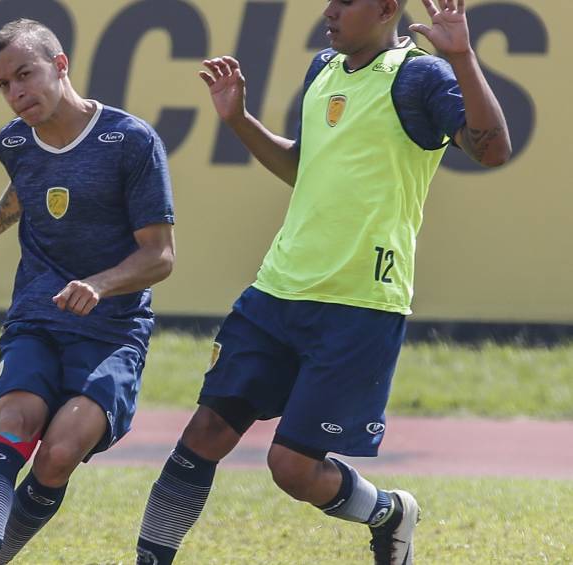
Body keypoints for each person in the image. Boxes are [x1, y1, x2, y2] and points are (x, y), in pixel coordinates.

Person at [135, 0, 510, 563]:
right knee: (205, 433)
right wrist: (238, 120)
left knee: (291, 467)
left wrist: (462, 58)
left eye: (343, 2)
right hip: (276, 290)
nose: (328, 11)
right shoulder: (322, 69)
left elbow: (493, 149)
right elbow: (301, 167)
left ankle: (388, 512)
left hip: (359, 304)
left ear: (386, 8)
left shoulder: (422, 76)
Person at [0, 18, 175, 565]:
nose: (15, 92)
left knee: (58, 454)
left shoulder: (131, 141)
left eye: (25, 74)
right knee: (15, 423)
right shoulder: (14, 141)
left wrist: (99, 286)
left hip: (111, 332)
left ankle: (1, 551)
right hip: (37, 315)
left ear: (60, 65)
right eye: (3, 84)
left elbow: (160, 255)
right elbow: (27, 189)